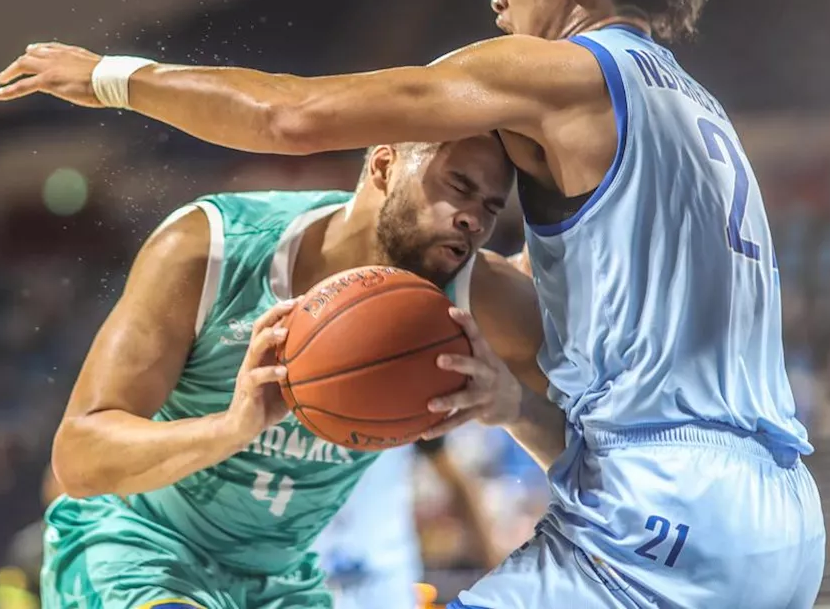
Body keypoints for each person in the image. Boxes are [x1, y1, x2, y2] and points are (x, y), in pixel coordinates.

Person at [0, 0, 826, 608]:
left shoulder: (566, 76)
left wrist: (109, 74)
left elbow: (295, 116)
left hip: (662, 511)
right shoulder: (706, 119)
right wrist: (511, 408)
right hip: (780, 521)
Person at [41, 138, 545, 609]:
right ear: (384, 165)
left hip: (283, 577)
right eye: (459, 186)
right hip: (139, 546)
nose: (473, 219)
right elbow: (79, 457)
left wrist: (514, 407)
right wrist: (230, 429)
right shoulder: (211, 247)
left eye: (491, 207)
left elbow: (604, 445)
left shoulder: (481, 299)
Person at [312, 438, 502, 609]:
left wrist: (493, 563)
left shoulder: (405, 408)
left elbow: (455, 482)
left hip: (385, 575)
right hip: (310, 570)